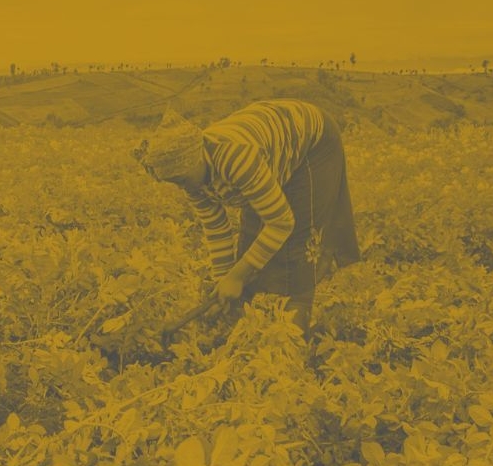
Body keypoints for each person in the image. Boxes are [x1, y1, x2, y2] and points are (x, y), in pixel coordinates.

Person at [132, 100, 360, 339]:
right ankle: (242, 323)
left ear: (197, 160)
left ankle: (293, 333)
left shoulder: (236, 159)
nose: (181, 186)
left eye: (181, 178)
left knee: (299, 243)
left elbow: (281, 222)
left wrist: (237, 276)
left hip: (313, 145)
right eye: (174, 181)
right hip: (269, 150)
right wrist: (224, 282)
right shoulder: (191, 180)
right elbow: (216, 228)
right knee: (251, 239)